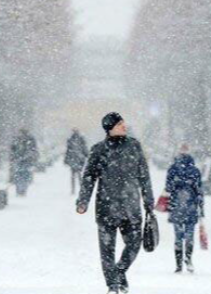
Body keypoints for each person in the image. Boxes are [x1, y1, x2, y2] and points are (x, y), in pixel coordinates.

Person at [77, 113, 155, 294]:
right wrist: (83, 201)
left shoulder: (134, 146)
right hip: (106, 207)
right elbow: (89, 177)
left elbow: (144, 176)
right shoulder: (98, 150)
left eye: (123, 123)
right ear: (110, 128)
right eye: (120, 124)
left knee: (135, 244)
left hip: (131, 207)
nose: (124, 126)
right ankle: (112, 285)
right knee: (106, 250)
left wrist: (148, 201)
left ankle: (119, 272)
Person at [165, 145, 205, 274]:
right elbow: (199, 191)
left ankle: (182, 262)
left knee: (181, 236)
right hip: (187, 206)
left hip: (180, 206)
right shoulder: (194, 170)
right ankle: (186, 261)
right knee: (187, 236)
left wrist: (177, 184)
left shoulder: (174, 169)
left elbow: (168, 187)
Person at [10, 129, 39, 197]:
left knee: (18, 175)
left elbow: (12, 149)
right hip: (27, 161)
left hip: (18, 160)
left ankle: (19, 190)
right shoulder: (30, 139)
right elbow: (34, 149)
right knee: (25, 175)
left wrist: (13, 158)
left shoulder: (16, 139)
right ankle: (23, 190)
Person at [65, 129, 90, 195]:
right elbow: (84, 148)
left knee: (74, 175)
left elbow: (68, 151)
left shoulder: (71, 139)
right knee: (79, 174)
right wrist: (87, 155)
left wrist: (66, 159)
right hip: (79, 159)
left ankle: (74, 189)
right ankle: (80, 189)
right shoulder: (80, 139)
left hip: (74, 159)